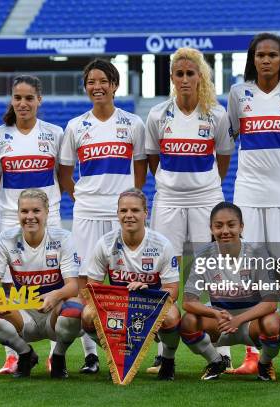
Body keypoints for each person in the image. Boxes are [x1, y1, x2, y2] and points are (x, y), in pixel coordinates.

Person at [145, 47, 233, 371]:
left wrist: (203, 185)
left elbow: (223, 158)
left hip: (206, 197)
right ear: (171, 77)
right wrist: (173, 183)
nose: (184, 79)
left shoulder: (217, 115)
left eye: (190, 73)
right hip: (167, 199)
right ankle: (164, 352)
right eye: (179, 74)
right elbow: (153, 158)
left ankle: (222, 349)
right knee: (165, 271)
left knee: (211, 271)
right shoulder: (157, 114)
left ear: (200, 76)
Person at [226, 32, 280, 376]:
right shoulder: (237, 93)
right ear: (253, 59)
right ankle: (251, 352)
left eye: (272, 55)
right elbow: (233, 140)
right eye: (260, 55)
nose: (265, 60)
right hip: (248, 192)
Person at [59, 59, 147, 374]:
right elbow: (65, 172)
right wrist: (80, 195)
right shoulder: (75, 126)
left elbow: (140, 166)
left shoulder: (133, 123)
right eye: (91, 82)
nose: (97, 86)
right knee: (87, 278)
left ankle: (124, 344)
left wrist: (128, 194)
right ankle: (91, 354)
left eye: (103, 81)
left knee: (121, 276)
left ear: (114, 85)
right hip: (87, 210)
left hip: (119, 211)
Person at [0, 75, 64, 374]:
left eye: (29, 98)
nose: (22, 103)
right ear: (11, 101)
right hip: (10, 217)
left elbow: (62, 173)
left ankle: (51, 351)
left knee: (51, 281)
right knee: (9, 286)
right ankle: (14, 353)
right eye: (17, 98)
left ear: (39, 100)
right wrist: (12, 207)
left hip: (49, 216)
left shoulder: (55, 133)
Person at [0, 189, 83, 379]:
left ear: (47, 212)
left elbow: (73, 286)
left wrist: (55, 295)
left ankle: (58, 356)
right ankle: (25, 354)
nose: (30, 217)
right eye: (24, 211)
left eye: (36, 211)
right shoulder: (7, 239)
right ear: (18, 213)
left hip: (55, 312)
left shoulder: (62, 238)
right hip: (24, 313)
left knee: (75, 308)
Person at [81, 188, 181, 380]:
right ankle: (115, 355)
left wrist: (147, 292)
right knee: (87, 314)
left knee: (171, 316)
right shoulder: (105, 243)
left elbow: (173, 291)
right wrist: (118, 300)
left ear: (145, 213)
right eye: (123, 211)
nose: (129, 216)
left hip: (151, 304)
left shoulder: (162, 244)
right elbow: (92, 289)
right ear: (117, 214)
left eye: (135, 210)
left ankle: (168, 360)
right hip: (117, 306)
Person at [180, 202, 280, 381]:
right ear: (211, 228)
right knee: (188, 321)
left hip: (251, 323)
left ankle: (264, 363)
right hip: (219, 323)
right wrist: (215, 313)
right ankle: (215, 361)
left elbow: (271, 302)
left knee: (274, 323)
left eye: (231, 224)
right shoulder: (203, 256)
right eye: (218, 226)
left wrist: (239, 319)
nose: (225, 230)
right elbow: (188, 301)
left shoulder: (258, 253)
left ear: (241, 226)